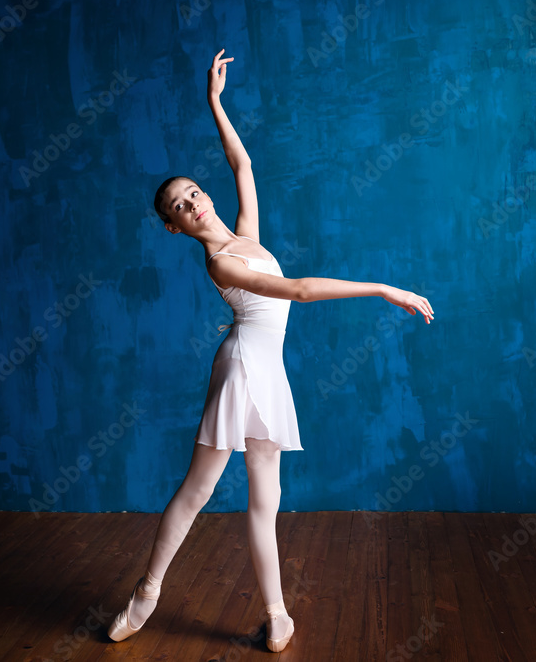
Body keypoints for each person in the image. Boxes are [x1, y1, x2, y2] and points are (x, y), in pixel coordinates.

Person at [107, 49, 434, 653]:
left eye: (193, 192)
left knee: (268, 500)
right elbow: (300, 290)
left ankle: (278, 616)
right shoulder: (223, 259)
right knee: (198, 491)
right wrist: (382, 287)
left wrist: (214, 102)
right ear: (174, 227)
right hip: (240, 371)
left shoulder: (246, 236)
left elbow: (244, 163)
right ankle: (147, 593)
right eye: (179, 205)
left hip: (267, 372)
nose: (193, 202)